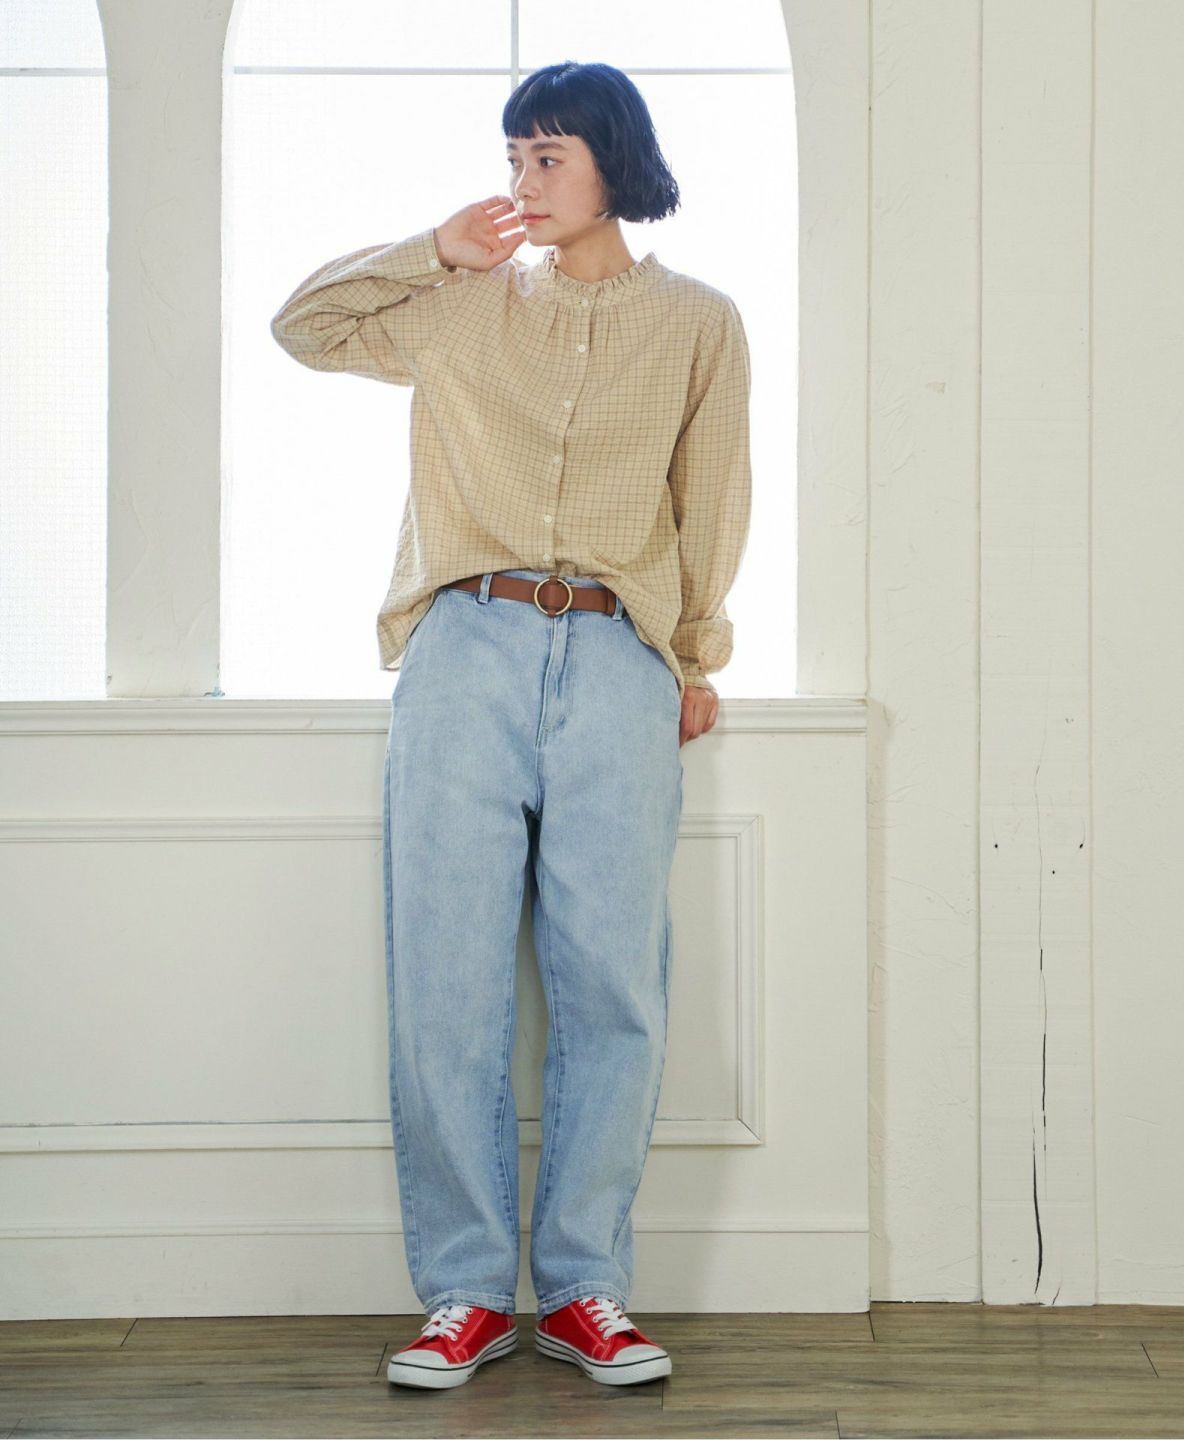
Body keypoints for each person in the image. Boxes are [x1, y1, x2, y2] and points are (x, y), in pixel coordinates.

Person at [270, 59, 751, 1391]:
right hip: (464, 648)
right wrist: (430, 251)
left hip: (616, 658)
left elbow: (712, 496)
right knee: (446, 978)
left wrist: (691, 655)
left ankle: (587, 1289)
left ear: (612, 163)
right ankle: (466, 1294)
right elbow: (303, 326)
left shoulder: (701, 323)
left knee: (613, 985)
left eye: (548, 156)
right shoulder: (461, 305)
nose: (522, 181)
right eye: (513, 157)